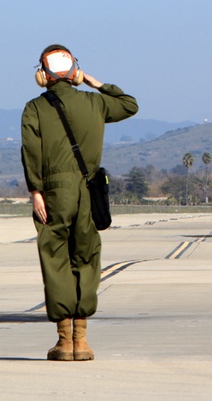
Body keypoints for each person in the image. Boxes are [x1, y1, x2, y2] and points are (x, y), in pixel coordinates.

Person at [20, 44, 138, 361]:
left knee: (55, 259)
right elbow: (129, 105)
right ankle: (81, 341)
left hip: (54, 191)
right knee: (86, 258)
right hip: (88, 191)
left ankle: (63, 341)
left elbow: (30, 152)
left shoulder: (34, 109)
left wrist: (35, 191)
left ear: (42, 75)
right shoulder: (95, 104)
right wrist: (93, 82)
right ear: (74, 72)